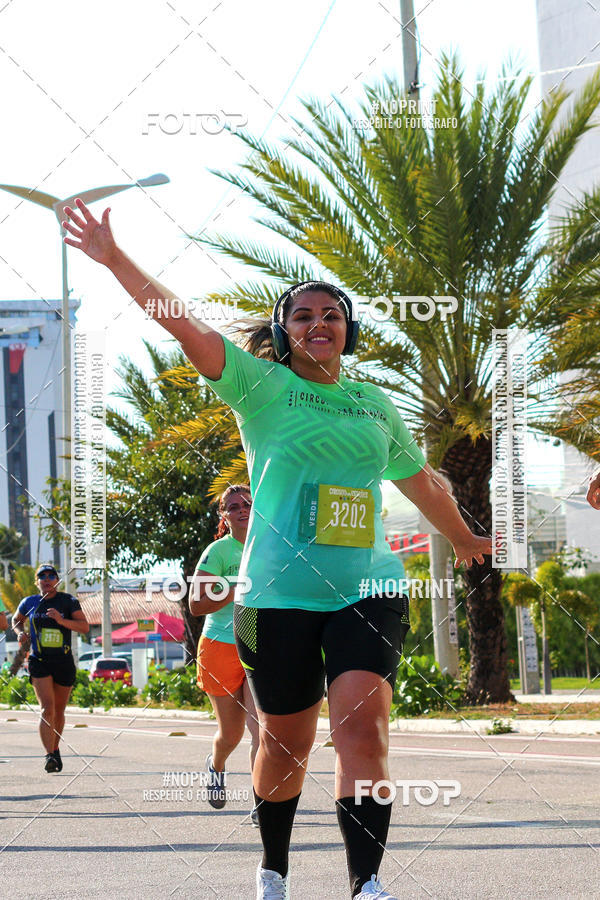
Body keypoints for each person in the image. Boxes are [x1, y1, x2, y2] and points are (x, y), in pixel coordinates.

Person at [61, 199, 492, 900]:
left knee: (364, 733)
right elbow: (185, 325)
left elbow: (423, 482)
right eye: (303, 316)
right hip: (277, 594)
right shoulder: (260, 387)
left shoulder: (375, 406)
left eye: (332, 316)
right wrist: (114, 259)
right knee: (284, 746)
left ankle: (366, 884)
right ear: (284, 333)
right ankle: (273, 869)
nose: (319, 324)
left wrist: (465, 536)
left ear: (347, 332)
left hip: (368, 587)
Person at [190, 484, 260, 822]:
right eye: (233, 506)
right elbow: (196, 604)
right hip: (220, 644)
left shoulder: (271, 546)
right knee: (231, 734)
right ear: (224, 515)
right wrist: (234, 589)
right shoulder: (218, 551)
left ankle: (263, 802)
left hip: (261, 645)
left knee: (261, 728)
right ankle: (215, 766)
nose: (242, 509)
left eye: (247, 503)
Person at [12, 565, 89, 773]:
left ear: (57, 579)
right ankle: (49, 756)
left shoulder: (68, 601)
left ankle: (55, 749)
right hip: (39, 660)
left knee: (59, 710)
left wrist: (61, 620)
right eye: (42, 576)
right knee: (47, 708)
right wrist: (20, 632)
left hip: (63, 661)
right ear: (37, 581)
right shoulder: (29, 602)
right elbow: (16, 620)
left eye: (51, 576)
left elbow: (84, 627)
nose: (47, 579)